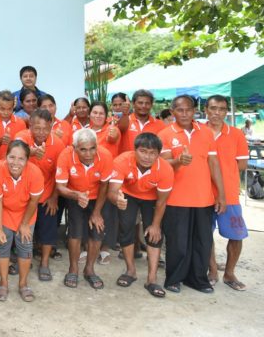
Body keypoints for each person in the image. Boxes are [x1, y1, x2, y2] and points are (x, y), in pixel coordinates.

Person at [158, 95, 226, 293]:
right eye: (180, 110)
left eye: (189, 109)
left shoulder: (206, 133)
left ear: (195, 111)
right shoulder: (164, 134)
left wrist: (221, 195)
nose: (185, 113)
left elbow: (214, 164)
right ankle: (174, 278)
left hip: (203, 198)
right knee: (177, 242)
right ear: (172, 112)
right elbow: (162, 165)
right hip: (175, 198)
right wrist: (179, 160)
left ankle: (197, 279)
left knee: (202, 241)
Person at [108, 132, 173, 298]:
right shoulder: (122, 161)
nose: (147, 157)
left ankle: (152, 279)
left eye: (152, 153)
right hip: (128, 195)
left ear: (159, 154)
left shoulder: (165, 169)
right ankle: (130, 271)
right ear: (134, 150)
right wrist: (117, 199)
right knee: (126, 227)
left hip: (152, 199)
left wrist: (156, 225)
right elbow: (112, 192)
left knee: (155, 235)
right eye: (143, 151)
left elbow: (162, 202)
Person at [55, 128, 113, 290]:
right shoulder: (65, 156)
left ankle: (89, 269)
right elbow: (60, 187)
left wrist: (96, 213)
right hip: (75, 195)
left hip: (98, 198)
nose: (88, 154)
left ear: (96, 146)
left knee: (97, 230)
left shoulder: (106, 156)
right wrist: (76, 195)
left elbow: (104, 185)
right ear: (74, 148)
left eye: (92, 148)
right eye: (83, 149)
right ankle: (73, 269)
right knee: (75, 232)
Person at [0, 140, 44, 302]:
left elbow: (34, 201)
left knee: (25, 246)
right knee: (2, 244)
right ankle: (3, 283)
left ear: (27, 160)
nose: (16, 163)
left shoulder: (35, 173)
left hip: (26, 212)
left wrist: (25, 224)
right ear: (5, 157)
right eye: (12, 157)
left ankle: (23, 284)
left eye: (21, 159)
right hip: (4, 212)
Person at [14, 109, 65, 281]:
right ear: (30, 126)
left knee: (48, 231)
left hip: (45, 195)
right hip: (22, 196)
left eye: (45, 128)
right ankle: (20, 257)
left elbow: (60, 175)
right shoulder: (21, 138)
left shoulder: (58, 145)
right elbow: (13, 160)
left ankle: (44, 263)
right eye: (37, 128)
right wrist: (31, 153)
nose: (41, 132)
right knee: (20, 228)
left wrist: (54, 197)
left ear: (51, 126)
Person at [205, 95, 249, 291]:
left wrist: (224, 178)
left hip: (229, 194)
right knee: (205, 234)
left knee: (236, 234)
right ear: (206, 109)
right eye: (213, 108)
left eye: (222, 109)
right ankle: (212, 270)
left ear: (226, 111)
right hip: (203, 193)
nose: (217, 112)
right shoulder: (198, 132)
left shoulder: (236, 134)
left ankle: (229, 273)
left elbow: (241, 164)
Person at [88, 101, 122, 265]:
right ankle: (88, 246)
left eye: (101, 113)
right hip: (88, 178)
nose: (97, 116)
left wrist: (113, 131)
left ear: (106, 115)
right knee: (89, 212)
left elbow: (113, 137)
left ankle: (105, 248)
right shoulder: (84, 132)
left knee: (107, 214)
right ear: (90, 114)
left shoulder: (112, 129)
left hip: (107, 179)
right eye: (94, 112)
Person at [117, 90, 166, 154]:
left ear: (151, 105)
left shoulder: (160, 125)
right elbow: (121, 129)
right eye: (140, 103)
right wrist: (125, 114)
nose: (144, 106)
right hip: (126, 162)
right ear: (133, 104)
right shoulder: (125, 120)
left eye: (147, 103)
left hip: (150, 162)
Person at [0, 91, 27, 161]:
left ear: (13, 107)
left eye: (9, 109)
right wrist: (0, 141)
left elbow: (24, 147)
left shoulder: (21, 123)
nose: (6, 112)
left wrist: (12, 143)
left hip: (14, 165)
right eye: (2, 109)